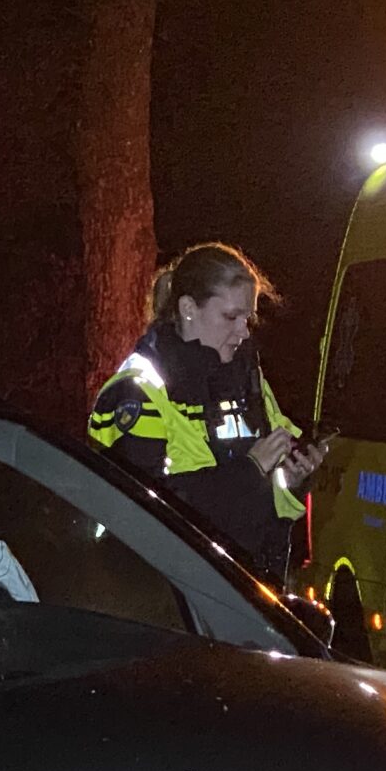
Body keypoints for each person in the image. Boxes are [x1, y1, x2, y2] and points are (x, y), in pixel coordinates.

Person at [89, 243, 330, 582]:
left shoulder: (248, 378)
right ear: (188, 308)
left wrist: (293, 477)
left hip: (249, 584)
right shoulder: (139, 388)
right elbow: (143, 513)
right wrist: (250, 470)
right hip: (167, 593)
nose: (243, 332)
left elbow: (268, 491)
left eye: (248, 318)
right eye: (231, 317)